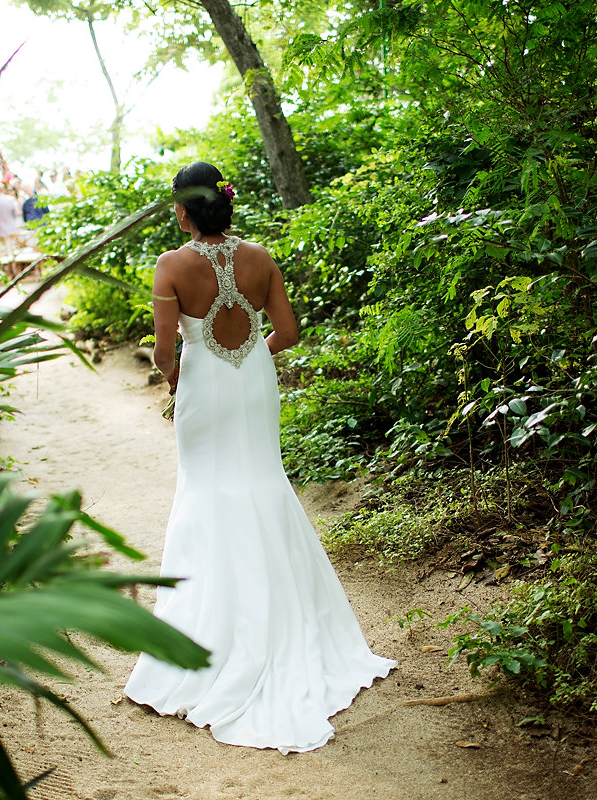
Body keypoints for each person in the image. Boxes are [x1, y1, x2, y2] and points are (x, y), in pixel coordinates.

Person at [124, 162, 394, 753]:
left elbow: (166, 349)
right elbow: (289, 332)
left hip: (204, 388)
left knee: (207, 491)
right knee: (263, 482)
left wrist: (178, 380)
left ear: (183, 209)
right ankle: (285, 612)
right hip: (253, 382)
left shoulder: (170, 266)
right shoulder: (261, 256)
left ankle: (208, 629)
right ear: (224, 201)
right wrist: (250, 357)